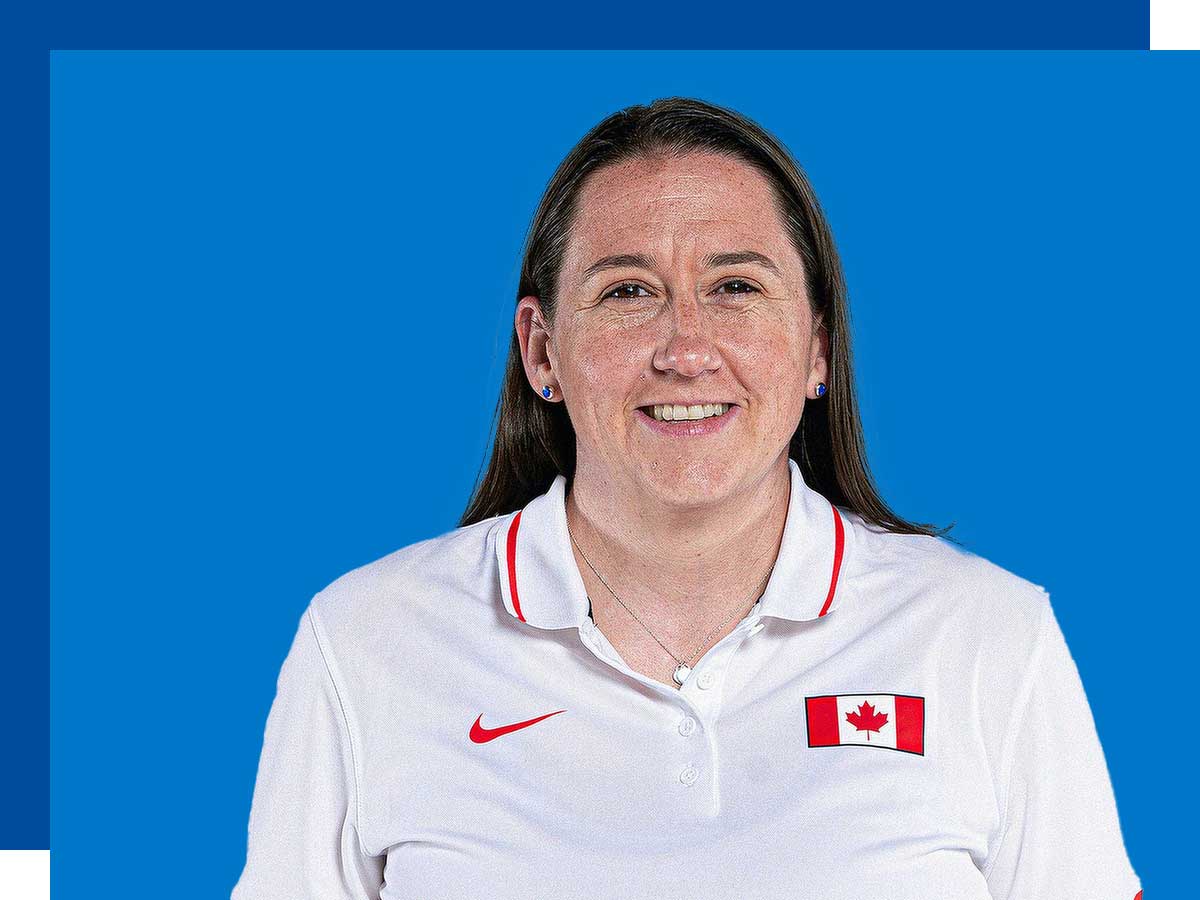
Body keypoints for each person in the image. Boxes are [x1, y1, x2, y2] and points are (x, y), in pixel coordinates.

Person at [231, 97, 1143, 899]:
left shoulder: (987, 637)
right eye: (629, 291)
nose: (687, 348)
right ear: (542, 351)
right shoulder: (365, 643)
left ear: (818, 347)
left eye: (736, 287)